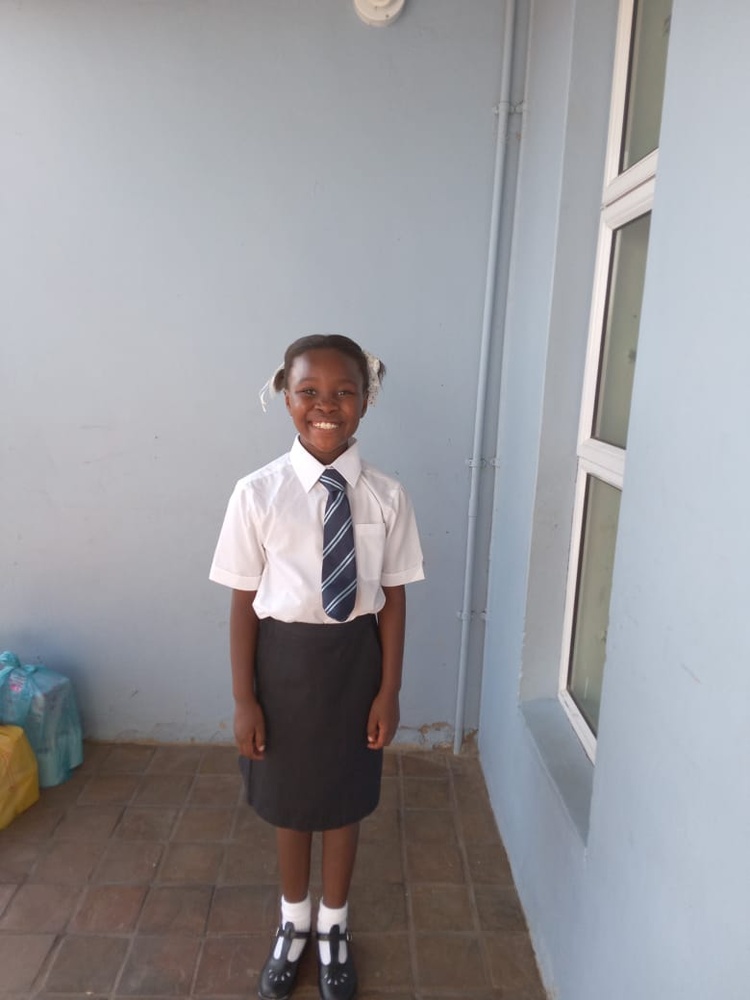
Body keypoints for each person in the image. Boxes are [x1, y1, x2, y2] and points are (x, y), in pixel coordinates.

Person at [209, 334, 424, 1000]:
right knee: (290, 801)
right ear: (286, 397)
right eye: (308, 391)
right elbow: (243, 604)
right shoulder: (257, 494)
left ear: (366, 399)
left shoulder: (387, 496)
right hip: (282, 670)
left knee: (343, 799)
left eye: (343, 392)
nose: (325, 405)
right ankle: (293, 920)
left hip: (356, 667)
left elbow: (393, 600)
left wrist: (389, 690)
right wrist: (245, 698)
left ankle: (334, 924)